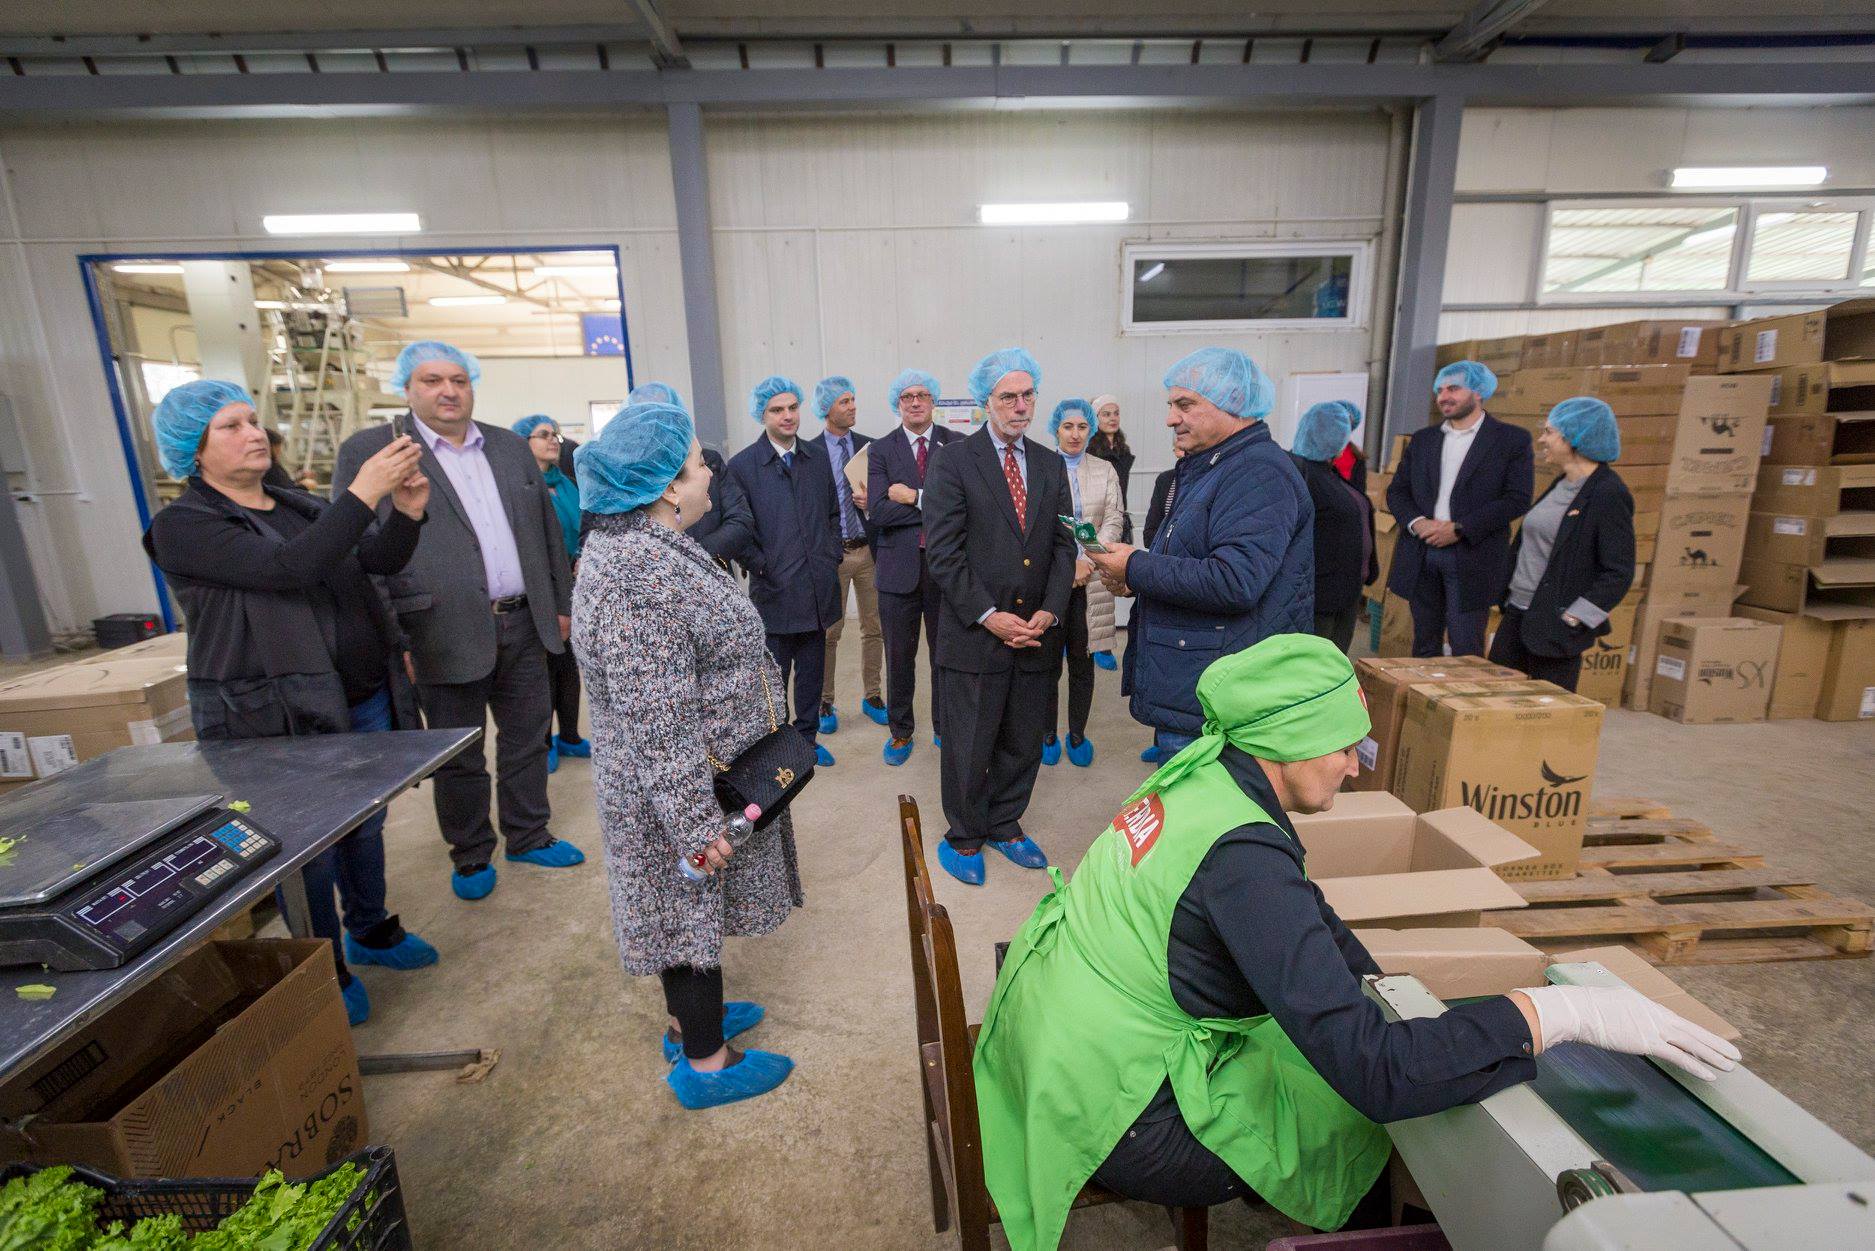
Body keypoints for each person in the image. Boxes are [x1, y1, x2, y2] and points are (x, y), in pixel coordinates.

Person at [972, 635, 1741, 1251]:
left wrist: (1381, 992)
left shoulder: (1205, 776)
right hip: (1121, 1108)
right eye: (1342, 745)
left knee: (1333, 1059)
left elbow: (1307, 912)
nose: (1353, 764)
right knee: (1360, 1122)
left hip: (1055, 1033)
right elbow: (1378, 1077)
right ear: (1286, 741)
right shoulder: (1243, 861)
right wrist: (1556, 1013)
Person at [143, 380, 440, 1028]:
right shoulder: (183, 526)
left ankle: (370, 928)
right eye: (230, 426)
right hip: (272, 711)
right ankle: (323, 965)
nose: (254, 433)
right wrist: (361, 493)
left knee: (363, 823)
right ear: (193, 449)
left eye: (253, 420)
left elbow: (374, 559)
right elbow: (288, 568)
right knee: (305, 845)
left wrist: (405, 511)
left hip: (356, 696)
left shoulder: (293, 503)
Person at [572, 400, 802, 1110]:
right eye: (701, 464)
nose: (709, 475)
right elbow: (659, 720)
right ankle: (705, 1062)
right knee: (684, 906)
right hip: (674, 787)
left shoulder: (650, 544)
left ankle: (689, 1022)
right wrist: (697, 828)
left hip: (689, 775)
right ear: (670, 485)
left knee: (685, 911)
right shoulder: (636, 577)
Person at [334, 341, 583, 903]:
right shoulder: (373, 452)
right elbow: (358, 554)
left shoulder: (509, 447)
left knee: (527, 737)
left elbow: (546, 531)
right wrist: (394, 637)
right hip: (436, 630)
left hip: (524, 620)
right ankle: (470, 853)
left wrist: (560, 604)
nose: (448, 391)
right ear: (406, 388)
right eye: (431, 381)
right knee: (460, 752)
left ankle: (528, 834)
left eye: (459, 380)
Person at [1086, 348, 1312, 765]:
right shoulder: (1214, 466)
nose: (1170, 418)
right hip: (1197, 689)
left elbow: (1235, 580)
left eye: (1185, 405)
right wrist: (1135, 579)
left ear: (1234, 402)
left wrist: (1135, 565)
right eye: (1171, 405)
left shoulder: (1258, 472)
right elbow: (1194, 558)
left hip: (1217, 702)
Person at [922, 348, 1076, 886]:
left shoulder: (1051, 464)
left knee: (1023, 737)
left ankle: (1006, 823)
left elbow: (1064, 546)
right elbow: (944, 553)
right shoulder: (953, 462)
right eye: (1008, 396)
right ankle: (964, 834)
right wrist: (988, 615)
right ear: (986, 401)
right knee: (970, 741)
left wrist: (1051, 610)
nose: (1020, 406)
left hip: (1035, 633)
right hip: (976, 634)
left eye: (1027, 395)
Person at [724, 375, 843, 767]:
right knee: (773, 678)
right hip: (774, 592)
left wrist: (830, 556)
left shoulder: (817, 457)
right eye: (777, 410)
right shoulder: (743, 466)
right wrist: (763, 567)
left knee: (812, 674)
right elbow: (737, 529)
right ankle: (778, 748)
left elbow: (832, 514)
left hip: (817, 588)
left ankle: (807, 741)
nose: (788, 416)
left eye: (793, 407)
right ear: (763, 414)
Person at [1386, 360, 1535, 658]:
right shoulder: (1424, 440)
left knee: (1466, 646)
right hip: (1422, 551)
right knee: (1424, 644)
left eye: (1453, 388)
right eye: (1440, 390)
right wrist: (1418, 523)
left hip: (1472, 555)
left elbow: (1517, 498)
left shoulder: (1510, 440)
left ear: (1478, 392)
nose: (1444, 396)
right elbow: (1397, 491)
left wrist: (1459, 529)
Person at [1490, 397, 1636, 692]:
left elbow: (1618, 571)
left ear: (1574, 438)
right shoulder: (1562, 484)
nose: (1542, 439)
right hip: (1518, 613)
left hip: (1555, 627)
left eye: (1549, 432)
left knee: (1545, 709)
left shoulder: (1608, 493)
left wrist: (1575, 617)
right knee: (1497, 700)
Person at [866, 368, 958, 766]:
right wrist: (933, 506)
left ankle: (944, 727)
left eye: (922, 395)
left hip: (946, 569)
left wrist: (914, 497)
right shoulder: (880, 449)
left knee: (946, 655)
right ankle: (901, 732)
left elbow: (961, 506)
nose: (915, 402)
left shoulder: (956, 445)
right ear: (898, 403)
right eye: (907, 397)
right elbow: (878, 511)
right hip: (896, 571)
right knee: (899, 658)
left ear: (933, 400)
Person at [1041, 399, 1122, 769]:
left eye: (1082, 427)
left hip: (1091, 580)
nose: (1075, 434)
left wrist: (1087, 560)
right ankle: (1046, 734)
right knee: (1045, 663)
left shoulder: (1104, 470)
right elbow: (1033, 526)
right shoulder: (1040, 466)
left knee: (1082, 661)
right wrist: (1065, 565)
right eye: (1067, 426)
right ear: (1056, 429)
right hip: (1050, 581)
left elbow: (1113, 519)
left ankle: (1076, 734)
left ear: (1091, 429)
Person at [805, 375, 887, 735]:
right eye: (844, 401)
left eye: (853, 400)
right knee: (830, 632)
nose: (853, 406)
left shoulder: (872, 448)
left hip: (868, 551)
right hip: (832, 554)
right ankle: (825, 701)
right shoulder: (809, 452)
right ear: (827, 409)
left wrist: (873, 503)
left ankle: (873, 696)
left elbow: (886, 496)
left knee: (875, 628)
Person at [513, 414, 590, 772]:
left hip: (573, 583)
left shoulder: (566, 483)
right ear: (523, 443)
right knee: (542, 667)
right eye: (543, 435)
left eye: (554, 434)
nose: (552, 440)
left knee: (568, 665)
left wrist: (583, 555)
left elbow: (585, 524)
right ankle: (543, 742)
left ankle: (570, 736)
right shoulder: (522, 487)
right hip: (540, 586)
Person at [626, 382, 753, 573]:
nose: (708, 473)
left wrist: (694, 556)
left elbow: (740, 519)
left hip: (712, 570)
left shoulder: (710, 461)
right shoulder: (628, 478)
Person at [1290, 401, 1379, 653]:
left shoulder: (1329, 475)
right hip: (1319, 597)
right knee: (1316, 664)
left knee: (1333, 662)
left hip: (1344, 593)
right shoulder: (1301, 475)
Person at [1085, 392, 1136, 636]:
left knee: (1111, 577)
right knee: (1091, 578)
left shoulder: (1123, 450)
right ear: (1095, 418)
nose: (1113, 418)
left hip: (1118, 516)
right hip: (1095, 516)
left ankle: (1102, 639)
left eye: (1116, 413)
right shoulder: (1091, 450)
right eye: (1106, 414)